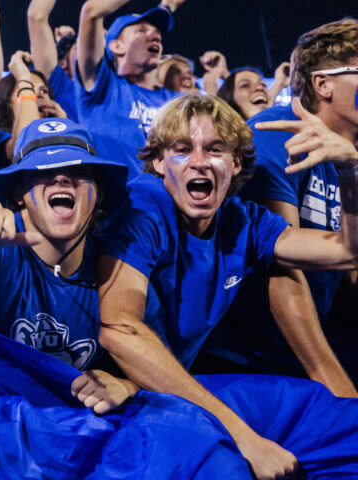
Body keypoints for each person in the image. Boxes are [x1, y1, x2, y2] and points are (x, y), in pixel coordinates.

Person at [98, 94, 358, 480]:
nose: (200, 161)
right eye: (182, 149)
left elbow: (346, 252)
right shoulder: (144, 209)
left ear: (236, 163)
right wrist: (243, 437)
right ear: (157, 162)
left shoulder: (244, 220)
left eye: (215, 148)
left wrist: (351, 170)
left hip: (182, 391)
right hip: (113, 396)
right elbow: (120, 330)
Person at [0, 118, 136, 413]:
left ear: (98, 193)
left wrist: (127, 386)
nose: (61, 178)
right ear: (18, 196)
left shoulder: (117, 269)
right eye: (44, 170)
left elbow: (151, 366)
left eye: (77, 169)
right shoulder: (1, 249)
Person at [199, 19, 358, 396]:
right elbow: (278, 267)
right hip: (240, 364)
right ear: (323, 84)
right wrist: (336, 386)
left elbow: (350, 265)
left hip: (296, 356)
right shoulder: (275, 132)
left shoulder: (347, 157)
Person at [74, 0, 201, 175]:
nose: (155, 36)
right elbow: (91, 11)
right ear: (116, 46)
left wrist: (167, 7)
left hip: (168, 208)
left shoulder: (178, 102)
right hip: (115, 209)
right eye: (140, 31)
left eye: (157, 33)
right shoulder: (101, 88)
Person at [25, 0, 83, 122]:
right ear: (63, 64)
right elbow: (37, 16)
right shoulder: (62, 87)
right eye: (79, 48)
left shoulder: (120, 91)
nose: (92, 48)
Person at [0, 50, 67, 170]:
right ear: (6, 103)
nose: (39, 95)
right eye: (28, 88)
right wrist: (23, 77)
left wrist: (64, 128)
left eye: (44, 91)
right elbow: (25, 146)